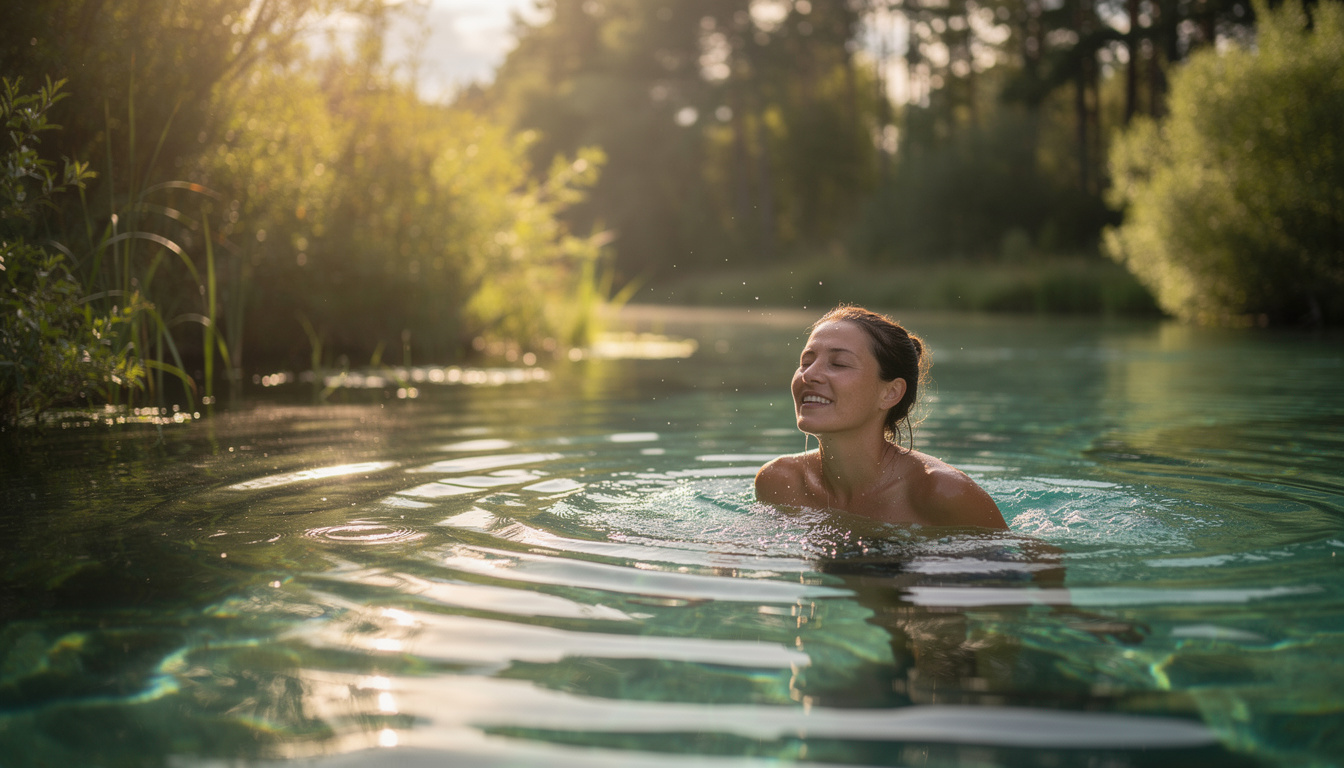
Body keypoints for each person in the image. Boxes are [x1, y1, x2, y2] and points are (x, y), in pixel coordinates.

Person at [755, 305, 1008, 530]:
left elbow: (1025, 567)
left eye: (839, 363)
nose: (809, 375)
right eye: (806, 362)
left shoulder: (942, 494)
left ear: (890, 393)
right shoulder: (780, 483)